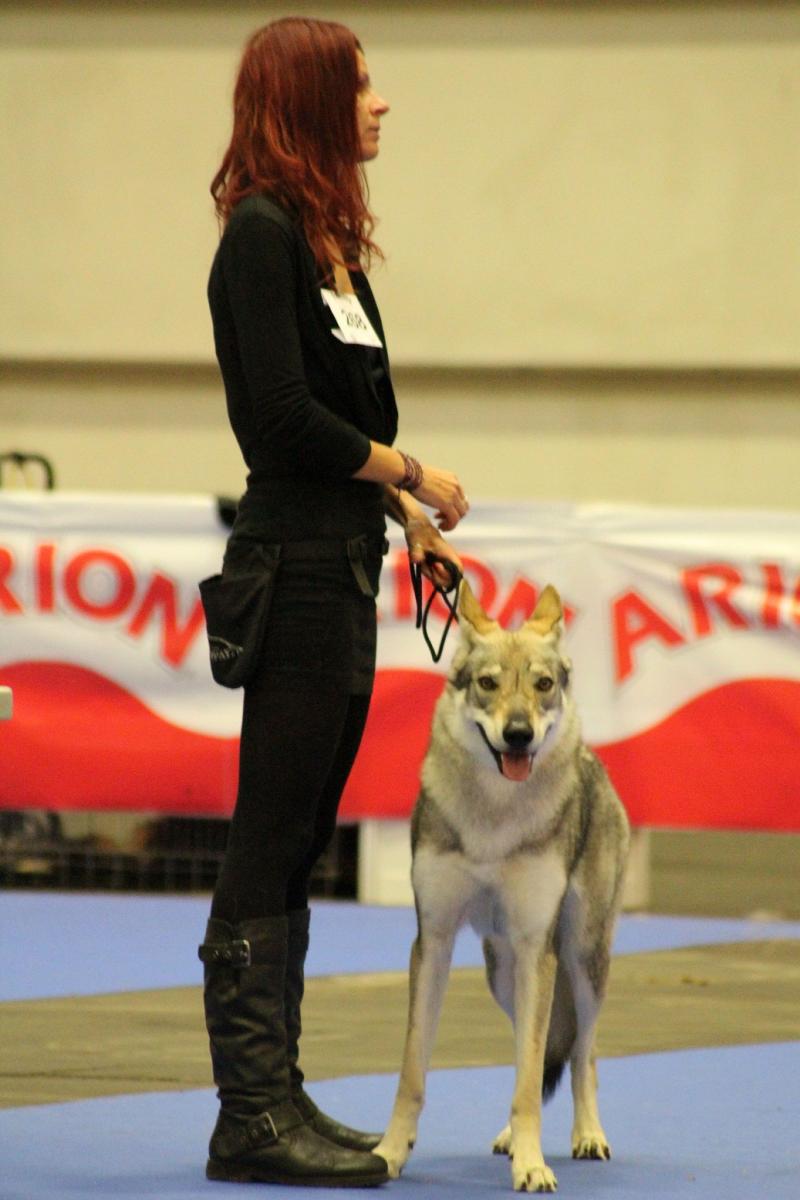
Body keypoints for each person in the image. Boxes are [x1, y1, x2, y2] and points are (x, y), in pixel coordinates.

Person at [198, 16, 469, 1189]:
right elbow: (282, 426)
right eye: (360, 87)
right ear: (307, 102)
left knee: (303, 836)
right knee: (269, 841)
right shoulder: (258, 240)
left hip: (341, 564)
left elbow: (342, 423)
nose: (381, 104)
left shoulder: (322, 248)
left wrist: (397, 513)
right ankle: (247, 1117)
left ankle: (280, 1095)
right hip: (293, 578)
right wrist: (408, 474)